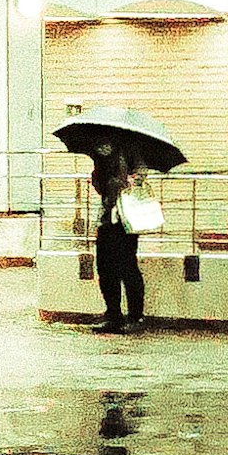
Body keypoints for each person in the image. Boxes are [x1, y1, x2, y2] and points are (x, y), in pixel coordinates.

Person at [95, 141, 151, 330]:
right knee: (104, 268)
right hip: (106, 218)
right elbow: (100, 187)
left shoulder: (131, 150)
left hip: (126, 218)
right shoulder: (101, 154)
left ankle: (136, 317)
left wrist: (122, 181)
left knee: (127, 267)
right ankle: (113, 315)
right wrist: (99, 174)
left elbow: (140, 177)